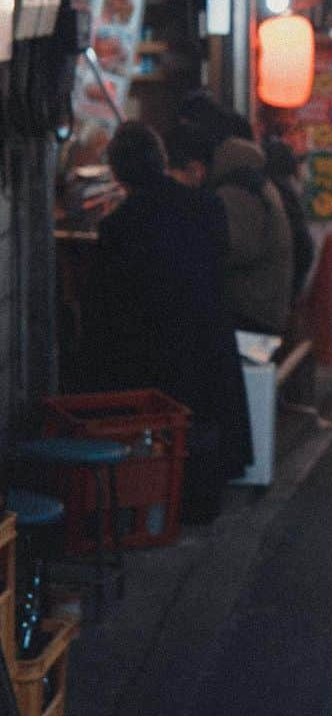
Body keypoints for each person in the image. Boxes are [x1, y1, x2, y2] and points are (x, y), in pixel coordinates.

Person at [83, 122, 252, 522]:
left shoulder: (117, 226)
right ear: (161, 161)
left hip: (149, 344)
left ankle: (152, 500)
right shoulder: (206, 205)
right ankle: (201, 501)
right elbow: (221, 257)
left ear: (119, 174)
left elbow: (107, 300)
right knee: (204, 419)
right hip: (206, 332)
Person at [209, 129, 294, 335]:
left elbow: (237, 248)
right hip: (266, 303)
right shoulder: (262, 186)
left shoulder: (238, 192)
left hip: (250, 309)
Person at [263, 136, 315, 302]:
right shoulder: (284, 191)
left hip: (279, 285)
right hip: (284, 284)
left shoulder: (273, 190)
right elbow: (302, 245)